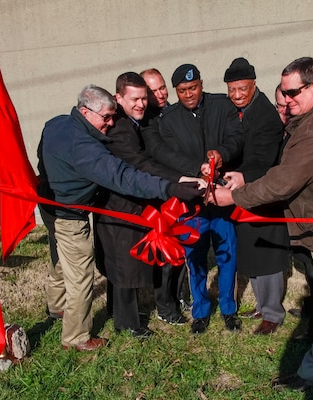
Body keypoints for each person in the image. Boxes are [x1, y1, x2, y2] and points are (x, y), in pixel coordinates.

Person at [210, 57, 313, 390]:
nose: (285, 100)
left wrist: (234, 197)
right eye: (283, 92)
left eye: (292, 93)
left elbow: (282, 182)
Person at [37, 84, 203, 351]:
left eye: (113, 116)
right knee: (80, 274)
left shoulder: (57, 124)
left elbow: (43, 148)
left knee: (62, 259)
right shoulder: (85, 148)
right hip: (70, 214)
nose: (111, 123)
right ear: (85, 111)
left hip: (49, 205)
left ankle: (57, 308)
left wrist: (48, 178)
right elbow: (124, 177)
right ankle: (76, 337)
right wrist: (169, 188)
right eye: (106, 117)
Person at [144, 64, 244, 334]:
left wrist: (222, 152)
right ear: (176, 92)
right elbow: (165, 154)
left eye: (193, 88)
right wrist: (194, 168)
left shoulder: (222, 106)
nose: (189, 94)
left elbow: (237, 137)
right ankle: (200, 310)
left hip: (221, 197)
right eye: (182, 90)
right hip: (192, 201)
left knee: (227, 255)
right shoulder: (170, 119)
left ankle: (228, 309)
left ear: (201, 84)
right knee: (195, 257)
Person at [95, 73, 197, 338]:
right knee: (124, 265)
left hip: (132, 203)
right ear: (118, 98)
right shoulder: (119, 128)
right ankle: (128, 324)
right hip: (120, 205)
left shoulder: (134, 122)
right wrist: (179, 180)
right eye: (135, 99)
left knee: (124, 261)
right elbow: (140, 163)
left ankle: (118, 312)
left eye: (144, 98)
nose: (141, 104)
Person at [221, 58, 290, 335]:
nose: (237, 95)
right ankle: (262, 305)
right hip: (245, 194)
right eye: (232, 90)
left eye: (243, 89)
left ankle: (274, 313)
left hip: (264, 194)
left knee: (268, 255)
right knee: (252, 250)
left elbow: (265, 160)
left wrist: (242, 176)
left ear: (254, 85)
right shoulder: (236, 111)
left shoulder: (264, 115)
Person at [140, 68, 192, 315]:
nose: (160, 94)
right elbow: (157, 154)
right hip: (163, 192)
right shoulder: (146, 121)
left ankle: (180, 294)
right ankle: (165, 305)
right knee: (165, 252)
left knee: (182, 247)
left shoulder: (174, 110)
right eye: (152, 90)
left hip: (183, 189)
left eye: (162, 87)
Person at [275, 84, 313, 340]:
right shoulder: (282, 130)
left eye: (288, 107)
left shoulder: (306, 131)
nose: (285, 112)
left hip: (309, 212)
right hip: (293, 215)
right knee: (306, 263)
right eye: (280, 107)